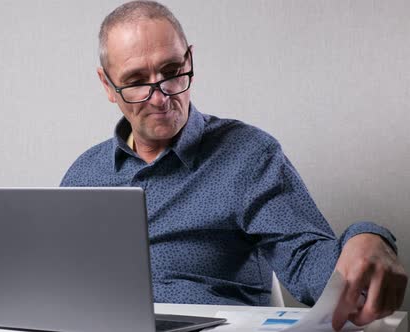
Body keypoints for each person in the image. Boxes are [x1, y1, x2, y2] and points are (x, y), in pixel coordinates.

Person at [60, 1, 407, 330]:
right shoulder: (84, 174)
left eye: (171, 71)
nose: (160, 96)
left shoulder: (248, 155)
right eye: (136, 82)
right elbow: (59, 283)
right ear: (108, 85)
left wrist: (366, 238)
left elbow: (308, 264)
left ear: (189, 59)